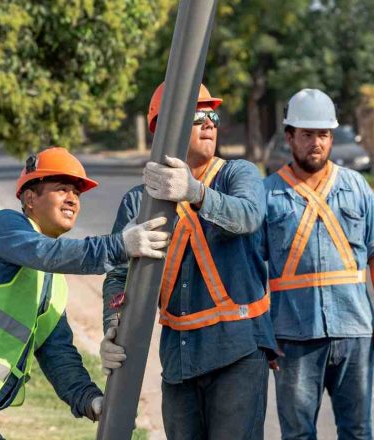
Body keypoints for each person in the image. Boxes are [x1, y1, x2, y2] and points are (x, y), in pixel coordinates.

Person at [0, 147, 170, 439]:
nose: (72, 199)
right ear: (29, 198)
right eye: (61, 188)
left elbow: (56, 352)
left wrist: (90, 400)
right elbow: (46, 252)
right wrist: (120, 246)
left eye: (76, 193)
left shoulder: (52, 285)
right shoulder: (2, 227)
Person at [100, 82, 276, 439]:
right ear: (164, 130)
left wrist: (194, 192)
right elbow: (119, 274)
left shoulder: (236, 174)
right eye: (198, 116)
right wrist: (111, 324)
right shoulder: (139, 202)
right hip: (180, 360)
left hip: (238, 351)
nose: (210, 123)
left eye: (213, 115)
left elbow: (248, 216)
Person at [262, 89, 374, 440]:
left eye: (323, 135)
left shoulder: (356, 187)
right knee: (298, 434)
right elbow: (249, 269)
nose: (316, 143)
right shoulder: (267, 195)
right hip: (292, 337)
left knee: (357, 431)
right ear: (289, 137)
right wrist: (260, 332)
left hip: (353, 330)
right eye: (307, 135)